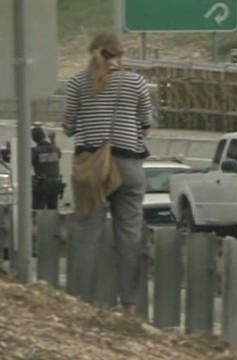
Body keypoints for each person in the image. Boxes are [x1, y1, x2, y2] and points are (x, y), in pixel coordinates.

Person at [63, 33, 152, 317]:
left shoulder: (78, 82)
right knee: (129, 235)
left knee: (88, 234)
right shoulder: (136, 82)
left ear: (92, 53)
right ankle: (129, 307)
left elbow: (68, 126)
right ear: (120, 55)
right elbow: (147, 123)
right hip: (128, 163)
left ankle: (82, 303)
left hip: (91, 165)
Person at [31, 126, 63, 210]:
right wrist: (52, 140)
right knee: (52, 210)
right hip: (55, 183)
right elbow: (59, 154)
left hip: (42, 185)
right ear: (44, 136)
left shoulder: (35, 151)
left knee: (38, 211)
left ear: (34, 138)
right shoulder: (55, 149)